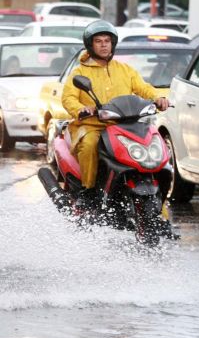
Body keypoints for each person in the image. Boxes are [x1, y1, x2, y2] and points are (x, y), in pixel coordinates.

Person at [62, 20, 169, 210]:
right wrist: (80, 109)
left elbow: (143, 88)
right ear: (90, 45)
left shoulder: (125, 69)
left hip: (125, 125)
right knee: (89, 145)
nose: (104, 45)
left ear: (113, 44)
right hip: (93, 125)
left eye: (107, 41)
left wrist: (158, 98)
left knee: (149, 140)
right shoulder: (79, 72)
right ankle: (89, 192)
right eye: (98, 41)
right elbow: (69, 98)